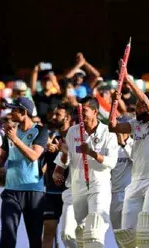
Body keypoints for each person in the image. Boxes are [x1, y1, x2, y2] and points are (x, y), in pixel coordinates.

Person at [108, 65, 149, 248]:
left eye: (141, 105)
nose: (137, 108)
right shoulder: (134, 123)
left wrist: (128, 80)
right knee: (127, 233)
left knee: (147, 229)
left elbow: (147, 102)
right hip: (136, 182)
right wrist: (114, 103)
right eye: (136, 105)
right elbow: (113, 127)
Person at [53, 96, 118, 248]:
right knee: (68, 234)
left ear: (95, 112)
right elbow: (64, 160)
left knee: (94, 234)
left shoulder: (108, 133)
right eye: (79, 111)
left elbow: (111, 163)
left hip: (98, 187)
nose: (81, 115)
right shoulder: (73, 131)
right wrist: (61, 163)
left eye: (85, 111)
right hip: (76, 187)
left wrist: (92, 153)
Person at [0, 97, 48, 248]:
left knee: (35, 238)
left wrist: (15, 139)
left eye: (14, 110)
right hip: (11, 190)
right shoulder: (10, 132)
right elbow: (1, 160)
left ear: (24, 112)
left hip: (34, 190)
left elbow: (33, 156)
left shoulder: (40, 131)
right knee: (7, 236)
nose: (10, 113)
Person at [42, 103, 73, 248]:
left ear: (67, 118)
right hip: (52, 192)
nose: (54, 117)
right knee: (48, 232)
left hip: (71, 191)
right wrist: (47, 150)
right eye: (54, 114)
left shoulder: (76, 137)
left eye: (58, 115)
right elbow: (41, 164)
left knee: (70, 234)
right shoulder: (50, 137)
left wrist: (63, 151)